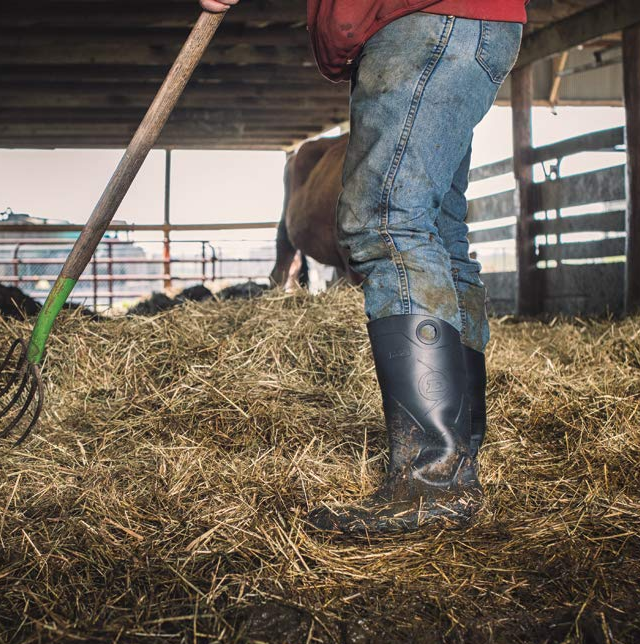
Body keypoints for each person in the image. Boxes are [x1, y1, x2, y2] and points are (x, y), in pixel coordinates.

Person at [201, 0, 525, 534]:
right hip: (458, 24)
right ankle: (457, 457)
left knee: (385, 222)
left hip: (423, 19)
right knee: (438, 234)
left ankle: (432, 483)